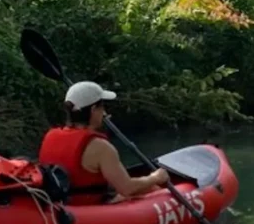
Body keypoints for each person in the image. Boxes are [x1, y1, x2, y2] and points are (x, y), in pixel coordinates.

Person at [38, 81, 168, 202]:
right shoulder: (100, 147)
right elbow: (127, 188)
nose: (104, 112)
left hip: (60, 206)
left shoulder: (50, 136)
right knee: (152, 188)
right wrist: (155, 177)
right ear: (94, 110)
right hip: (89, 208)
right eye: (102, 107)